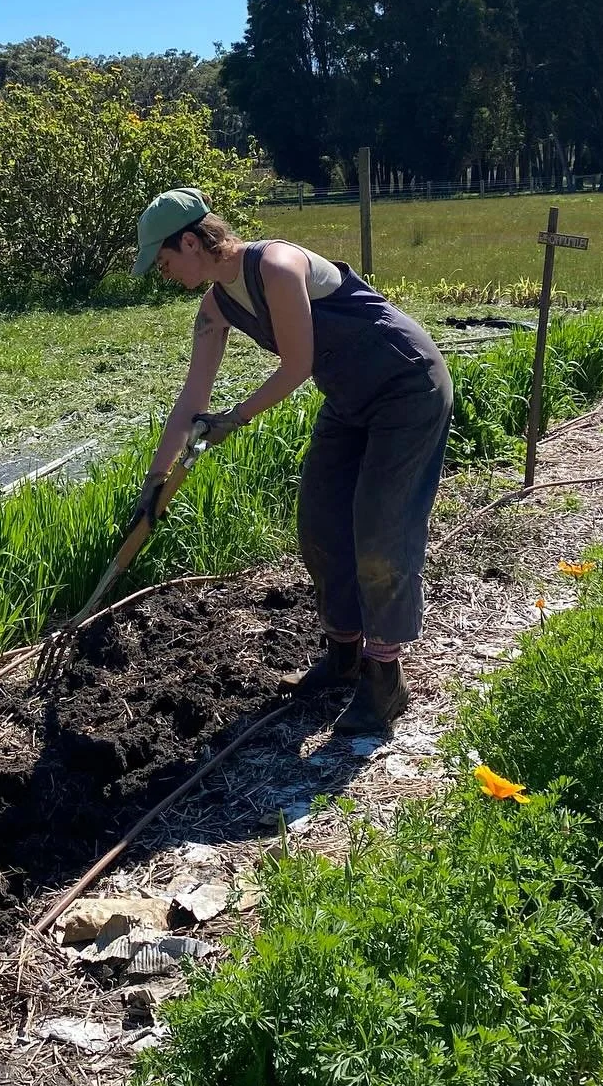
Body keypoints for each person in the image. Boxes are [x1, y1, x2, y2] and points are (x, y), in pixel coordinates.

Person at [132, 185, 453, 731]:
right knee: (321, 524)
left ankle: (384, 679)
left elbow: (298, 364)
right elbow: (192, 399)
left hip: (405, 385)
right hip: (349, 398)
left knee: (380, 531)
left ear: (190, 242)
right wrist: (156, 479)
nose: (165, 275)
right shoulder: (215, 307)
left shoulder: (276, 266)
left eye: (164, 262)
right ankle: (343, 655)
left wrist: (232, 420)